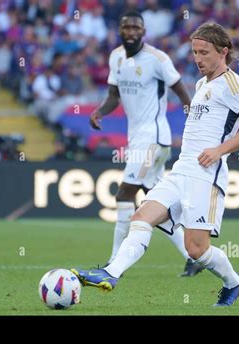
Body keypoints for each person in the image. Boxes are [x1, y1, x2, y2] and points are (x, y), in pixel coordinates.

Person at [73, 22, 239, 307]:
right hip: (181, 170)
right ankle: (110, 274)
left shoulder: (233, 85)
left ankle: (234, 283)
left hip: (205, 176)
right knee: (141, 217)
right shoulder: (202, 84)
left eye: (204, 52)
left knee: (196, 249)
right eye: (195, 52)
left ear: (223, 52)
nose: (198, 59)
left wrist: (219, 150)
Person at [87, 11, 203, 277]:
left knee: (125, 194)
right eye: (126, 27)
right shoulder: (115, 57)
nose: (131, 32)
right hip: (138, 137)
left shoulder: (157, 59)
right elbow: (114, 96)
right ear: (120, 30)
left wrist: (193, 120)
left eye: (136, 28)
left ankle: (114, 264)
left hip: (153, 137)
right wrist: (100, 112)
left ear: (143, 31)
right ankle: (193, 256)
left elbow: (181, 91)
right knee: (157, 203)